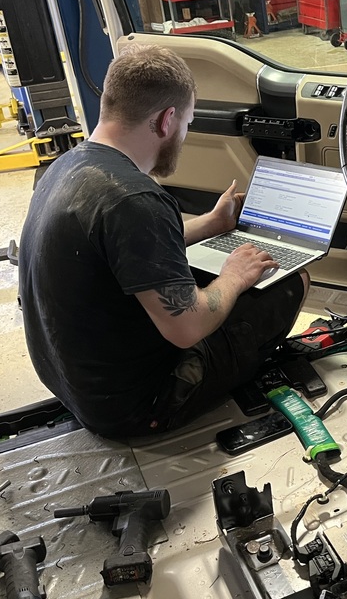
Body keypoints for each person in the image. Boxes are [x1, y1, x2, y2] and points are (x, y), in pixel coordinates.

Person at [18, 45, 309, 438]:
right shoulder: (137, 200)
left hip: (75, 385)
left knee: (205, 278)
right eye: (187, 123)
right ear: (167, 120)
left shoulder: (68, 167)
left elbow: (123, 249)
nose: (184, 135)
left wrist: (209, 223)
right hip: (139, 407)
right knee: (290, 281)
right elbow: (186, 328)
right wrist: (234, 277)